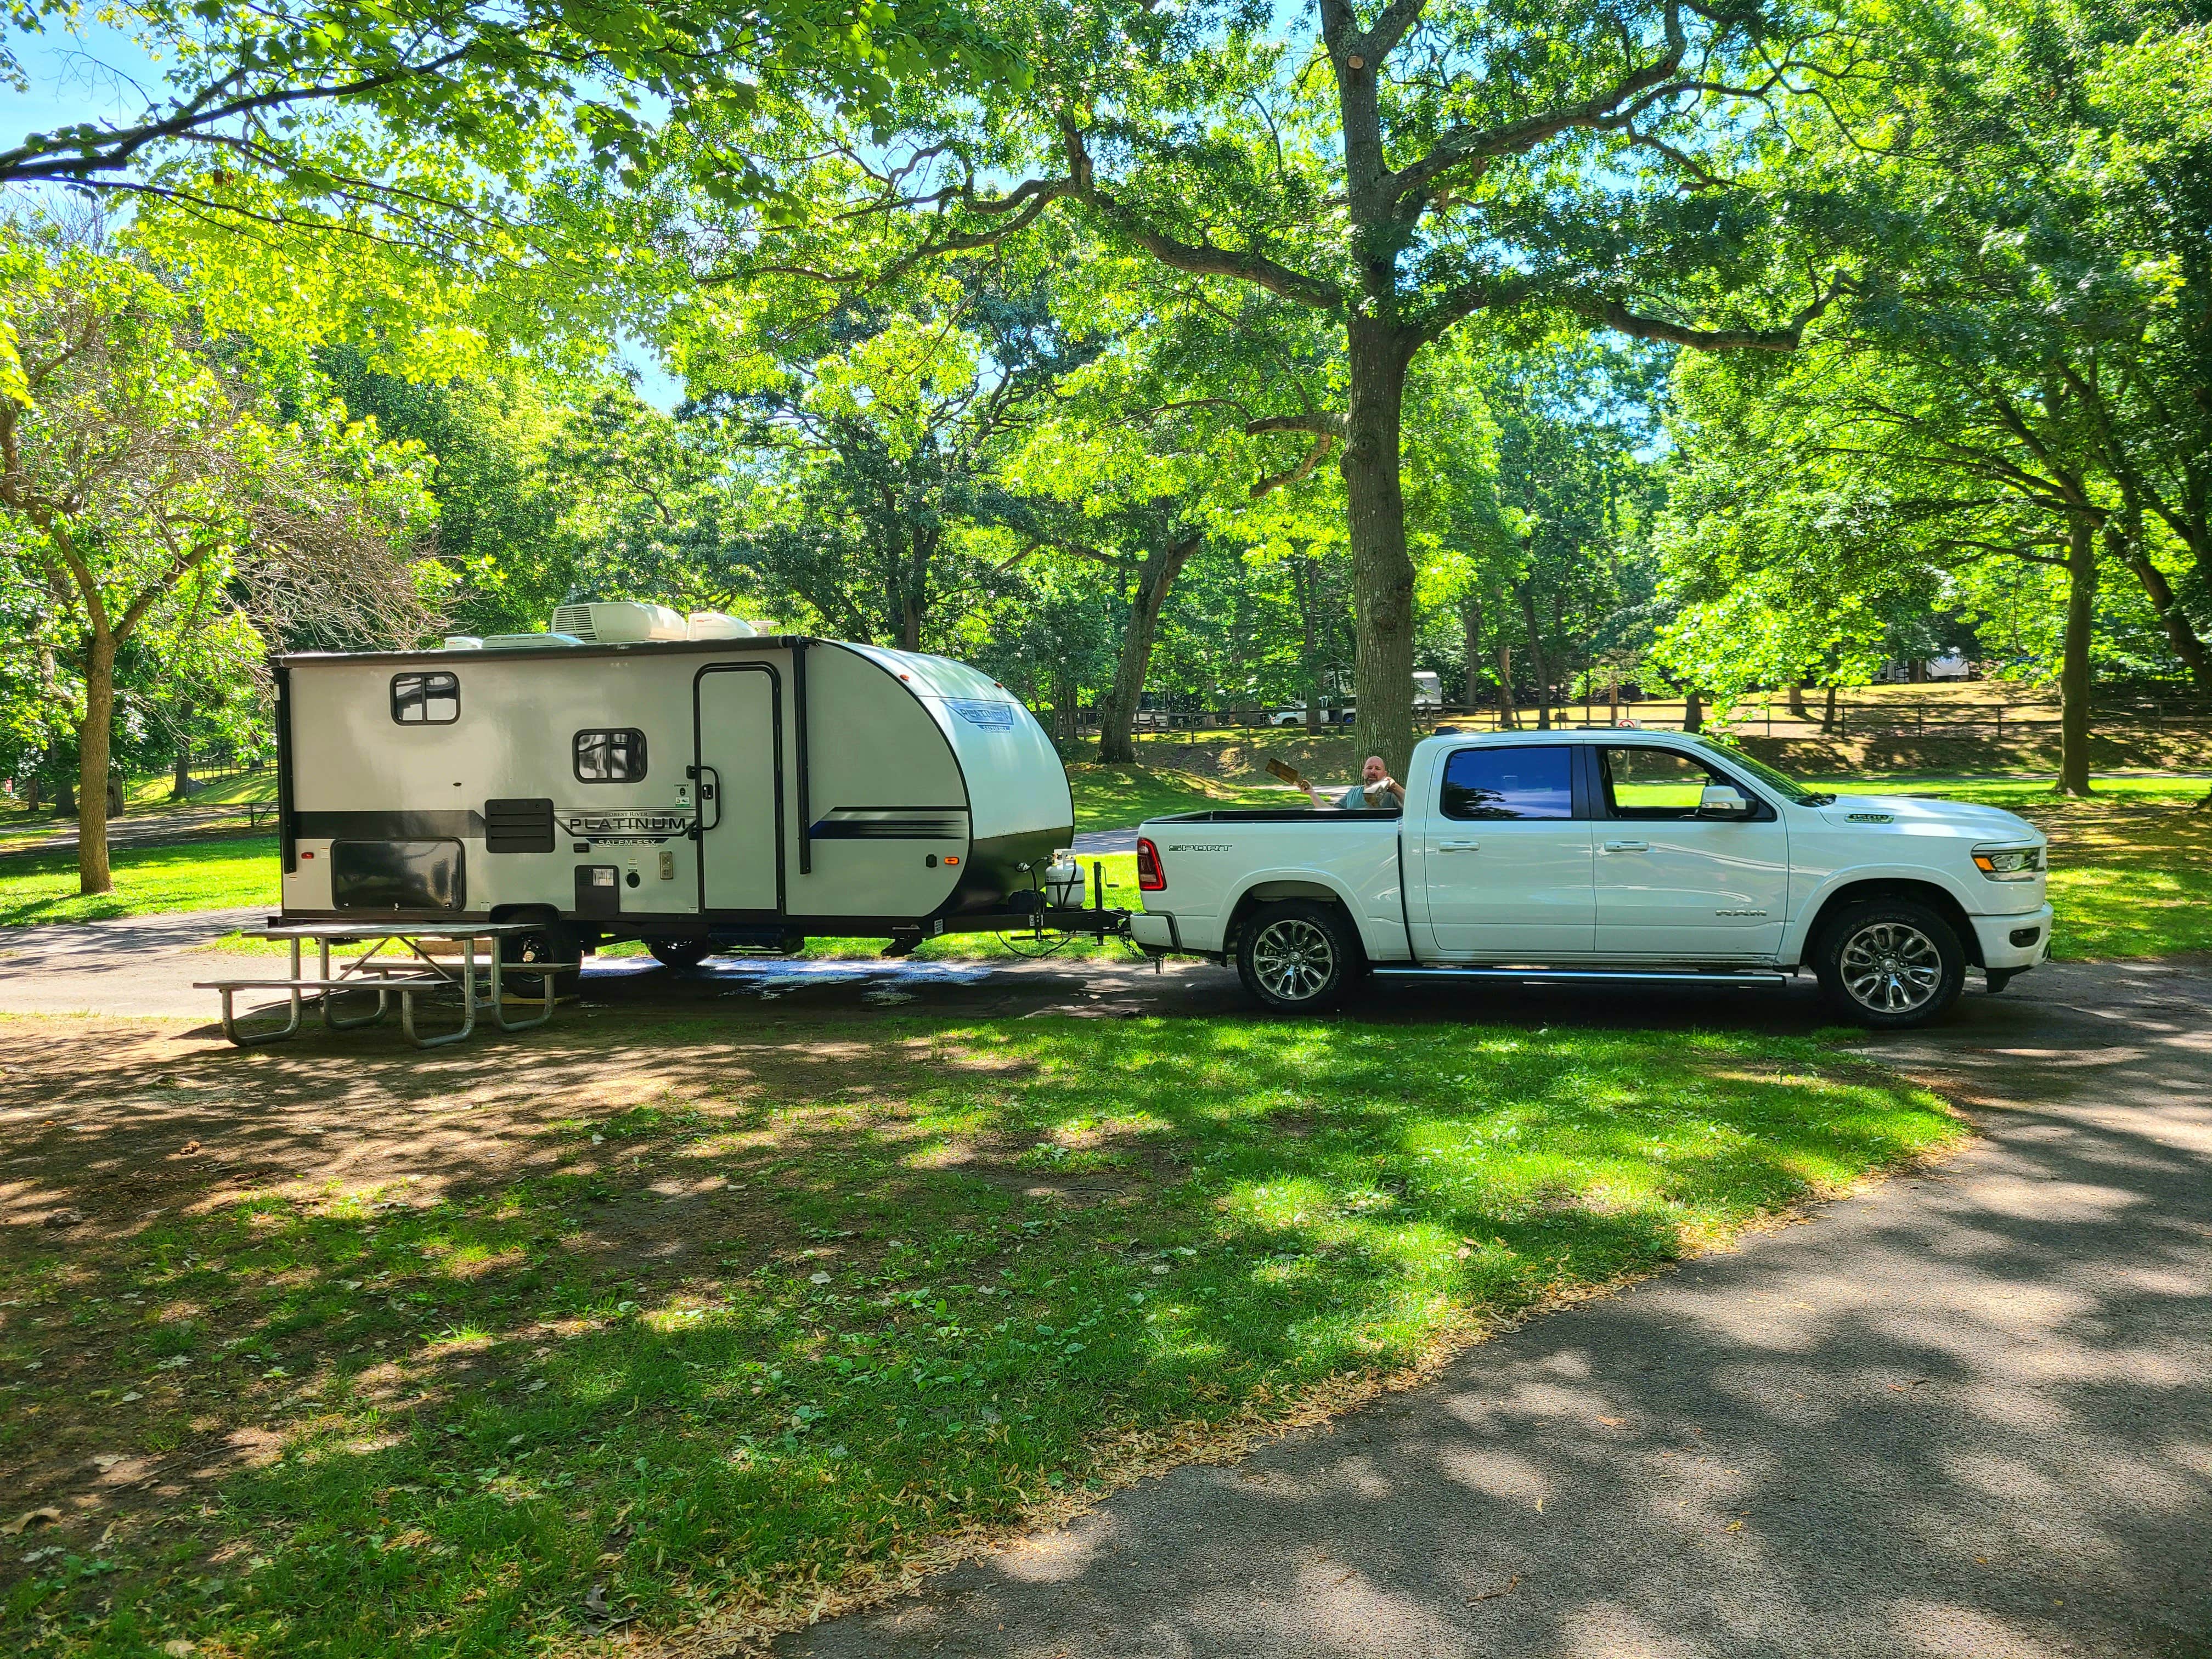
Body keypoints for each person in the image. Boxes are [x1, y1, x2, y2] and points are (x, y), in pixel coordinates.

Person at [1304, 754, 1405, 810]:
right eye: (1369, 768)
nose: (1373, 771)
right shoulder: (1353, 792)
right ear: (1363, 773)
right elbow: (1332, 812)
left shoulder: (1391, 794)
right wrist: (1312, 793)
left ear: (1385, 774)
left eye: (1378, 769)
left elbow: (1414, 805)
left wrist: (1395, 787)